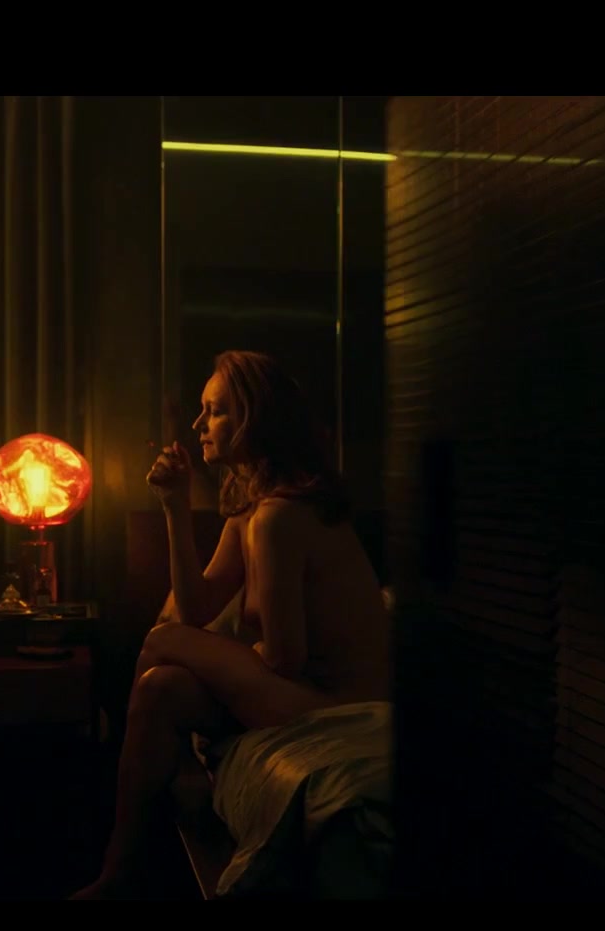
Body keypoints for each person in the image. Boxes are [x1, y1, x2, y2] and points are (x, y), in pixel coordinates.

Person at [71, 350, 390, 899]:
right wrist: (174, 507)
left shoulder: (280, 517)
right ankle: (121, 865)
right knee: (161, 686)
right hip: (296, 691)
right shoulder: (251, 513)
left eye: (214, 411)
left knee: (164, 642)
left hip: (337, 704)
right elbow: (196, 608)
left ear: (253, 421)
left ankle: (116, 838)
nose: (198, 424)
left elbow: (284, 658)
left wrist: (225, 664)